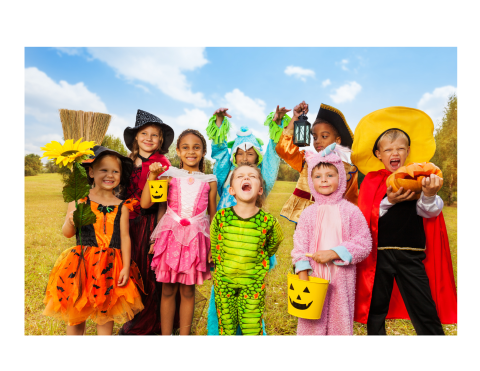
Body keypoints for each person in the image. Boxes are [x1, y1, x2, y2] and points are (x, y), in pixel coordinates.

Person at [351, 106, 457, 335]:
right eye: (388, 149)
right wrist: (388, 200)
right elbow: (366, 217)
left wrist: (428, 195)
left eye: (400, 148)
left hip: (411, 255)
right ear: (379, 154)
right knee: (375, 310)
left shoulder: (419, 177)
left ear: (408, 151)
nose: (394, 153)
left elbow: (429, 213)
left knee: (424, 308)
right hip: (378, 257)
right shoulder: (371, 180)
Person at [43, 146, 144, 335]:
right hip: (81, 265)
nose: (110, 175)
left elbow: (125, 237)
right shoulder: (79, 200)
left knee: (105, 313)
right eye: (104, 170)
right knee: (76, 312)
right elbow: (67, 233)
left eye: (115, 171)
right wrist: (71, 220)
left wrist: (125, 267)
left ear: (121, 176)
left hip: (110, 267)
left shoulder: (122, 206)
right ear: (91, 171)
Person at [205, 107, 286, 335]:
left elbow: (272, 155)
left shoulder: (261, 178)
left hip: (251, 256)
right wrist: (219, 123)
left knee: (250, 308)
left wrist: (277, 125)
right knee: (222, 305)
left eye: (250, 153)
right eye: (240, 153)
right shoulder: (227, 175)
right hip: (228, 256)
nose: (245, 158)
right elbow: (219, 153)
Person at [141, 129, 217, 335]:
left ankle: (184, 336)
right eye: (185, 147)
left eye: (196, 147)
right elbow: (148, 203)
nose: (191, 152)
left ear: (203, 152)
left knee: (188, 290)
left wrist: (213, 246)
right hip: (170, 237)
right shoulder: (168, 175)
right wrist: (153, 176)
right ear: (178, 151)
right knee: (167, 290)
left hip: (196, 240)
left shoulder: (210, 180)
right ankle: (167, 337)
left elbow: (213, 216)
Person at [291, 143, 372, 335]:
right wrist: (303, 276)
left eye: (330, 175)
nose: (324, 180)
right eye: (317, 176)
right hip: (313, 277)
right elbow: (299, 246)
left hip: (341, 280)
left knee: (339, 325)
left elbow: (364, 243)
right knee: (311, 323)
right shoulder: (308, 214)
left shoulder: (351, 211)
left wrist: (334, 253)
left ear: (341, 177)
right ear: (311, 180)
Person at [210, 163, 284, 335]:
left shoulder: (268, 221)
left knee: (252, 328)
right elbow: (215, 245)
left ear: (260, 190)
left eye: (252, 176)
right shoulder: (221, 217)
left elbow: (275, 241)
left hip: (253, 285)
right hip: (224, 284)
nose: (246, 178)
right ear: (231, 190)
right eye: (240, 176)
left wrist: (262, 257)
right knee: (226, 329)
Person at [119, 109, 174, 335]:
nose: (149, 138)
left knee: (146, 273)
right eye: (144, 133)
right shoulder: (127, 161)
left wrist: (157, 233)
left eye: (154, 135)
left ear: (160, 140)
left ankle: (148, 324)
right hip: (126, 223)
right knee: (128, 271)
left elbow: (158, 203)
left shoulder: (161, 164)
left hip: (147, 223)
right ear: (135, 138)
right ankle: (131, 316)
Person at [273, 101, 359, 224]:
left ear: (337, 140)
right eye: (314, 137)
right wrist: (296, 118)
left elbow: (351, 203)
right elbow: (284, 150)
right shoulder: (307, 161)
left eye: (324, 136)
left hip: (332, 222)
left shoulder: (348, 171)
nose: (317, 141)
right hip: (305, 219)